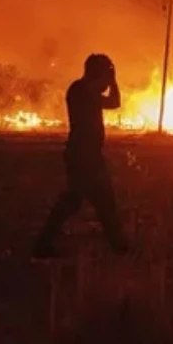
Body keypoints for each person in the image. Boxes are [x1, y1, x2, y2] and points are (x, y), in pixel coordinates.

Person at [33, 53, 130, 257]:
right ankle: (119, 246)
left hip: (86, 154)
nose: (106, 82)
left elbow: (114, 102)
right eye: (104, 75)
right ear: (97, 74)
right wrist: (112, 80)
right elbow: (112, 101)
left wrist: (112, 80)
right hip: (83, 156)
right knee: (98, 200)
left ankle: (43, 243)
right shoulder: (81, 90)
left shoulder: (84, 90)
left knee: (81, 200)